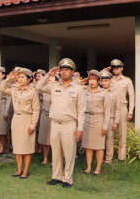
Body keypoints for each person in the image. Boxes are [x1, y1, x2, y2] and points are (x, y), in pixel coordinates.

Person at [36, 58, 85, 188]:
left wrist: (80, 129)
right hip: (55, 124)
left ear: (72, 72)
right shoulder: (53, 86)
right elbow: (38, 86)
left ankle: (67, 179)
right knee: (56, 152)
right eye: (61, 70)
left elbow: (81, 111)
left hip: (69, 125)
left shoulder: (78, 89)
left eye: (66, 70)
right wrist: (49, 74)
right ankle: (56, 176)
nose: (63, 72)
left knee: (68, 154)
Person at [0, 68, 40, 179]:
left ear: (29, 79)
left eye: (23, 77)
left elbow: (36, 109)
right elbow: (2, 88)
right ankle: (19, 169)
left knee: (27, 146)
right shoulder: (14, 89)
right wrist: (10, 78)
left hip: (27, 119)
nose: (20, 79)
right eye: (19, 77)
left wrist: (33, 125)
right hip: (16, 119)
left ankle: (26, 170)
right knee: (17, 146)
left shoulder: (33, 92)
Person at [81, 70, 110, 175]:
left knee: (99, 146)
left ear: (99, 81)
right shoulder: (84, 91)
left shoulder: (104, 93)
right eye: (90, 79)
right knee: (88, 145)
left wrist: (105, 126)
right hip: (87, 119)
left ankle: (98, 168)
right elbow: (75, 85)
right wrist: (83, 81)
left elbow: (107, 112)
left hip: (99, 120)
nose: (91, 81)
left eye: (94, 79)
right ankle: (88, 167)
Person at [109, 59, 134, 161]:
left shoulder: (127, 80)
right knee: (110, 133)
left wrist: (131, 111)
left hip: (123, 108)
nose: (116, 69)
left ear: (122, 68)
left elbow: (131, 96)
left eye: (118, 67)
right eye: (114, 67)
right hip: (111, 109)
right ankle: (109, 157)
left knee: (122, 133)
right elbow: (99, 79)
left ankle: (121, 157)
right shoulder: (109, 79)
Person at [100, 70, 121, 164]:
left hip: (110, 119)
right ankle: (98, 158)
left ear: (110, 81)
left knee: (109, 140)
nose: (104, 83)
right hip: (99, 118)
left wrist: (116, 122)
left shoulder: (115, 93)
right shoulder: (98, 92)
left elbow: (118, 109)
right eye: (102, 80)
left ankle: (108, 159)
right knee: (98, 139)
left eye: (106, 81)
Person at [38, 75, 57, 165]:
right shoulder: (44, 90)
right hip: (45, 115)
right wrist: (47, 76)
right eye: (50, 77)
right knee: (45, 139)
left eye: (52, 77)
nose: (50, 78)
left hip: (55, 117)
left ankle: (55, 160)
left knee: (55, 140)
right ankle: (45, 158)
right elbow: (37, 86)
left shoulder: (59, 90)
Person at [0, 67, 8, 154]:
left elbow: (8, 99)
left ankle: (2, 145)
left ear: (4, 75)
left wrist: (6, 111)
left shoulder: (6, 84)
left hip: (3, 106)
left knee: (2, 129)